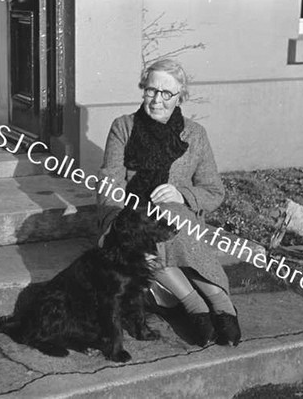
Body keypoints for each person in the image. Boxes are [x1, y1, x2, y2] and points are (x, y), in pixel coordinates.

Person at [97, 59, 240, 346]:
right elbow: (111, 182)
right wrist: (113, 223)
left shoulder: (195, 134)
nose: (157, 100)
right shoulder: (123, 127)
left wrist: (183, 194)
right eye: (151, 91)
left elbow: (213, 191)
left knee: (170, 211)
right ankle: (196, 303)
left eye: (167, 94)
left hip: (181, 224)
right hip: (132, 219)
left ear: (180, 97)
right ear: (143, 90)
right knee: (143, 229)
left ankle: (215, 297)